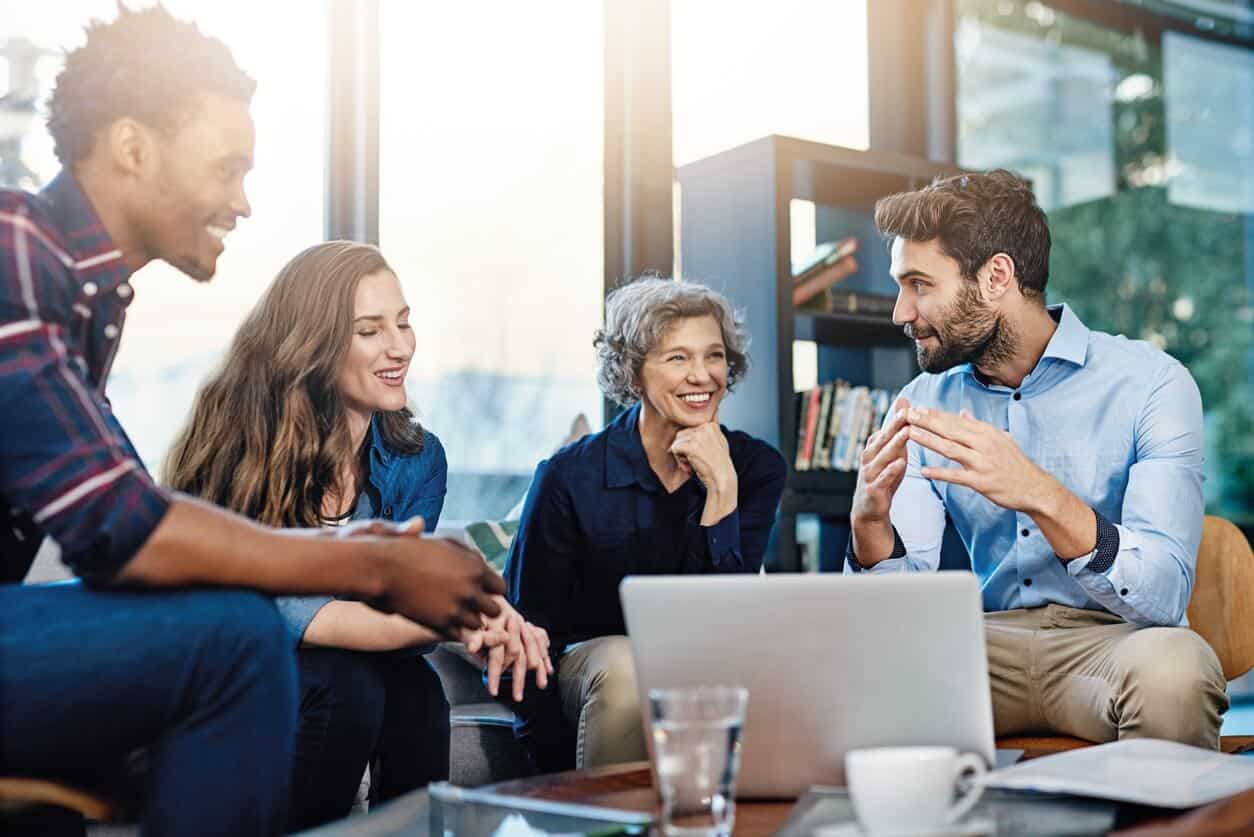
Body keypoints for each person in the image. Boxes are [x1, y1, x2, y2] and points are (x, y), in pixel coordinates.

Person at [0, 8, 503, 835]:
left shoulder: (88, 294)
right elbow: (120, 529)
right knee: (233, 638)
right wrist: (370, 561)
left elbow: (120, 516)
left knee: (255, 640)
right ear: (133, 148)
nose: (242, 201)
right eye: (227, 168)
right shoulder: (20, 245)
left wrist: (362, 555)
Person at [164, 240, 552, 830]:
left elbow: (405, 606)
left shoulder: (418, 459)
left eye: (403, 323)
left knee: (416, 691)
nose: (400, 347)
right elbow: (297, 615)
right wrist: (468, 617)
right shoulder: (237, 445)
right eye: (370, 330)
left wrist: (480, 612)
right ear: (313, 343)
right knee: (348, 685)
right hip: (242, 661)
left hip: (363, 669)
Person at [847, 169, 1228, 748]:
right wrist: (868, 526)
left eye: (919, 284)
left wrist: (1038, 492)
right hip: (983, 646)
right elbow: (897, 622)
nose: (902, 312)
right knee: (854, 674)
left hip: (1111, 644)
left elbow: (1164, 596)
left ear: (997, 276)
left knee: (1175, 670)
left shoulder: (1150, 383)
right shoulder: (920, 405)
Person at [506, 277, 787, 770]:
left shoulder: (756, 468)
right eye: (677, 358)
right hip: (591, 672)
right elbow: (531, 637)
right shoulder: (568, 477)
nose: (702, 375)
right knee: (623, 662)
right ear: (634, 374)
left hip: (704, 667)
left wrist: (721, 491)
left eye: (714, 356)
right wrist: (547, 778)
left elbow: (728, 626)